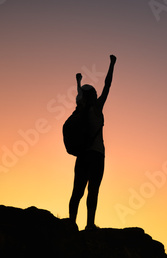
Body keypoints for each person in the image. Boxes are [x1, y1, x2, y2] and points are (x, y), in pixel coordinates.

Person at [69, 55, 116, 230]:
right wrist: (112, 64)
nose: (97, 94)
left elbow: (79, 94)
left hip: (83, 155)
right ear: (92, 96)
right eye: (95, 93)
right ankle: (89, 225)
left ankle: (71, 223)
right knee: (93, 191)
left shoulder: (80, 108)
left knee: (77, 191)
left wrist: (78, 82)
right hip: (96, 155)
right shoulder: (96, 108)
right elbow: (108, 85)